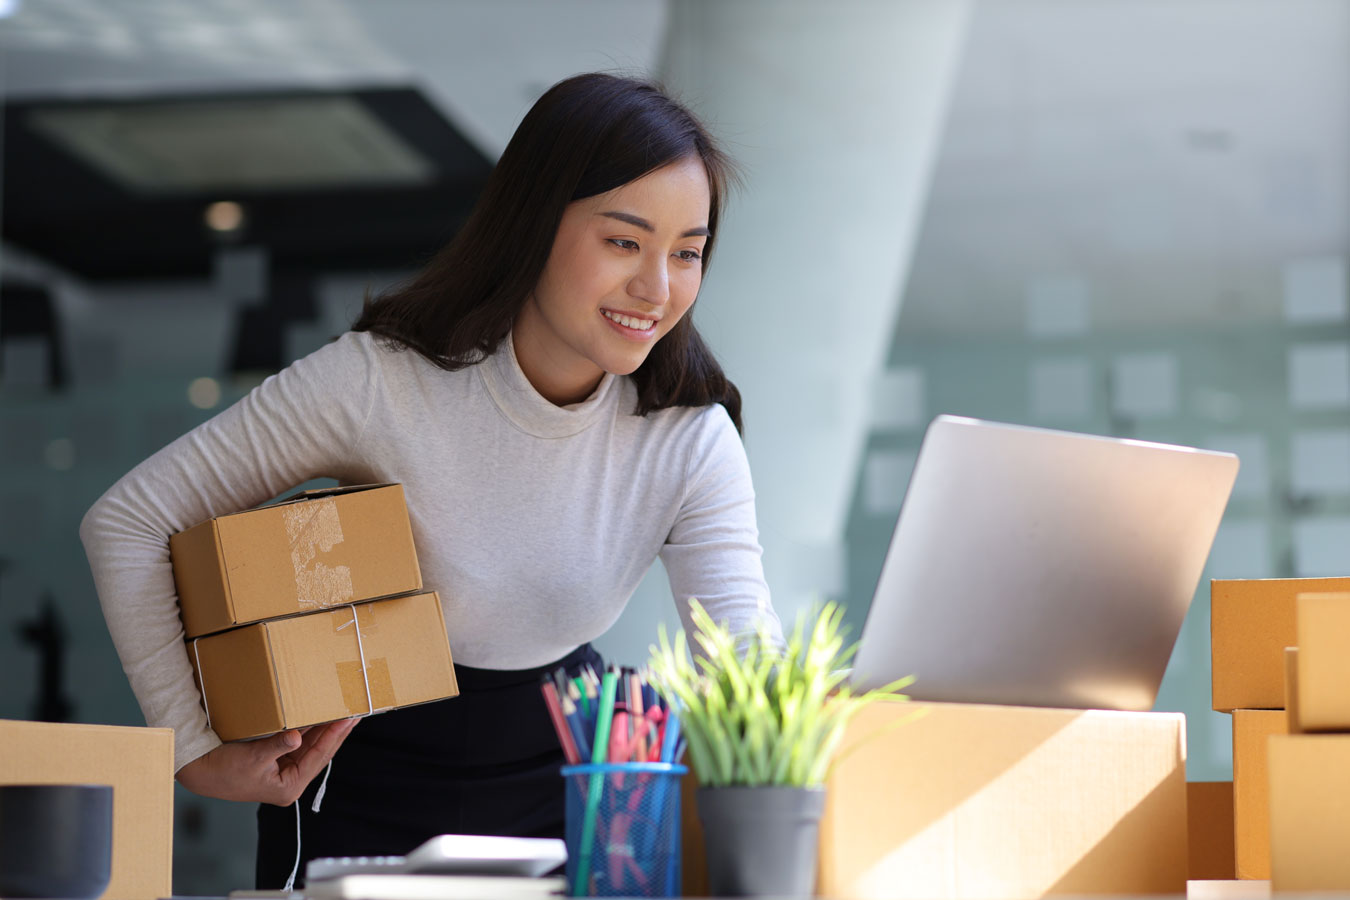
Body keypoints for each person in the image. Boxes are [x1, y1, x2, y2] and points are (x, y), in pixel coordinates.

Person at [79, 71, 783, 889]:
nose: (658, 289)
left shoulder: (688, 438)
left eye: (687, 253)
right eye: (623, 241)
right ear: (534, 225)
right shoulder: (381, 383)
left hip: (566, 789)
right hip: (363, 788)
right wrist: (192, 747)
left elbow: (746, 664)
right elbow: (129, 519)